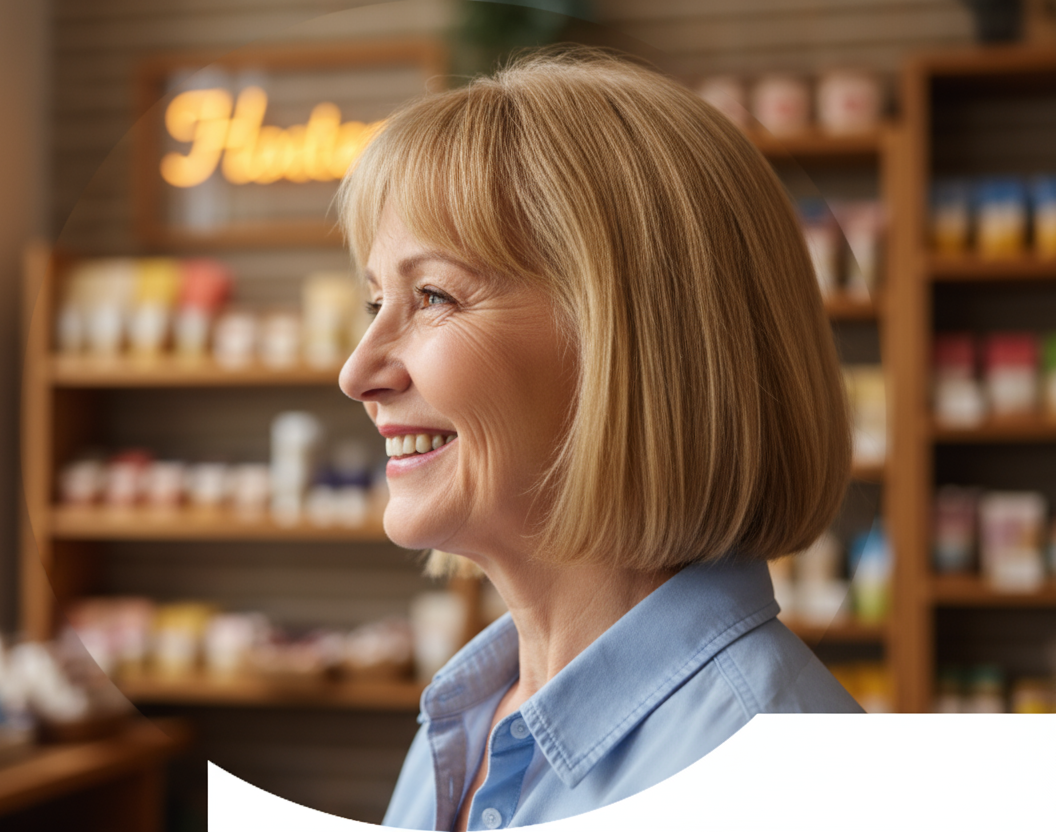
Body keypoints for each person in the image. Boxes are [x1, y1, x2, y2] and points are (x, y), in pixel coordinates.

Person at [336, 47, 863, 832]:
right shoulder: (469, 718)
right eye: (376, 300)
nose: (358, 372)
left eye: (434, 295)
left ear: (639, 344)